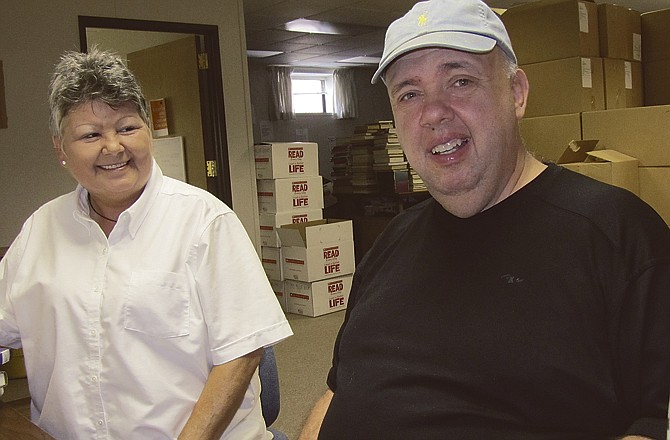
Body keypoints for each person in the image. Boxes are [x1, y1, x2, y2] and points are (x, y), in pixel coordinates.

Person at [298, 0, 670, 439]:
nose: (433, 112)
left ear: (517, 93)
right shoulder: (392, 242)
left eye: (460, 81)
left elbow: (652, 425)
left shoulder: (618, 234)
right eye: (409, 93)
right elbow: (339, 391)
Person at [0, 48, 293, 439]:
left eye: (126, 128)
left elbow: (242, 354)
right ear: (61, 150)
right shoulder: (41, 230)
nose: (113, 147)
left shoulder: (205, 223)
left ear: (147, 131)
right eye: (90, 135)